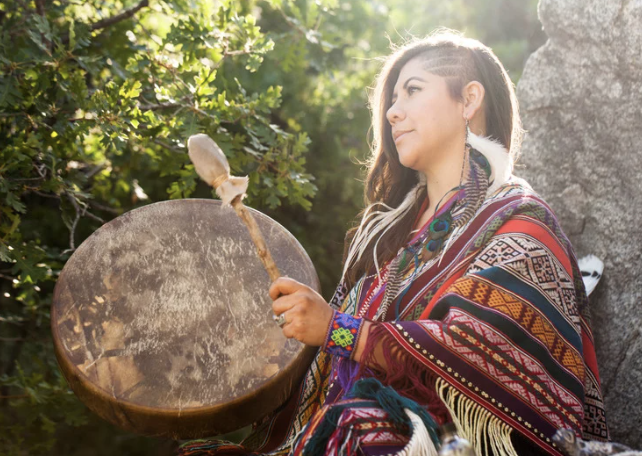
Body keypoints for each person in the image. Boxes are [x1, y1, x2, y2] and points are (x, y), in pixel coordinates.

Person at [179, 29, 608, 456]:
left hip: (440, 440)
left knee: (360, 429)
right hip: (353, 424)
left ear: (469, 100)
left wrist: (336, 328)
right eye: (392, 99)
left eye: (412, 91)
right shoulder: (384, 237)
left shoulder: (521, 224)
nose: (392, 112)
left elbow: (484, 354)